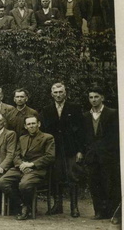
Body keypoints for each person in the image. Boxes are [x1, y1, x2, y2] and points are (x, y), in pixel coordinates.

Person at [0, 115, 55, 220]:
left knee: (24, 185)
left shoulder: (48, 138)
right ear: (25, 126)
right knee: (2, 182)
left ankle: (27, 208)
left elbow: (50, 157)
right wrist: (21, 165)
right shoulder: (22, 138)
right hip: (21, 168)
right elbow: (16, 155)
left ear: (39, 124)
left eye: (33, 123)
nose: (31, 126)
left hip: (36, 170)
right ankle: (21, 204)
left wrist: (32, 164)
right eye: (29, 124)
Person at [39, 83, 84, 216]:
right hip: (54, 149)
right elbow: (43, 131)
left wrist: (80, 150)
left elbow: (81, 131)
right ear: (52, 94)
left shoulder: (75, 108)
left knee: (72, 176)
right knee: (55, 176)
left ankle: (74, 207)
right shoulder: (47, 110)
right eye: (56, 92)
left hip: (71, 148)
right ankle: (57, 205)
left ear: (65, 93)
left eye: (61, 92)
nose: (58, 95)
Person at [82, 87, 120, 222]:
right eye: (91, 97)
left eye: (96, 97)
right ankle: (99, 211)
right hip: (92, 156)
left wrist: (110, 152)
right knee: (94, 183)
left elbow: (115, 136)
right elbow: (84, 137)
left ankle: (113, 212)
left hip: (108, 155)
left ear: (102, 98)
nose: (93, 100)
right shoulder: (86, 115)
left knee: (110, 183)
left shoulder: (112, 113)